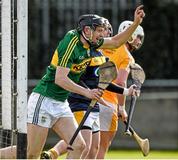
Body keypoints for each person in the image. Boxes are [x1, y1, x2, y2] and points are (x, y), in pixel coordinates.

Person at [0, 5, 145, 159]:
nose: (102, 34)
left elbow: (116, 42)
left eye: (103, 30)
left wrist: (136, 23)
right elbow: (60, 79)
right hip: (44, 100)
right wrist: (88, 92)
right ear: (87, 30)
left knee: (79, 146)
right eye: (99, 30)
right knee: (31, 153)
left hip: (61, 103)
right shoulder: (71, 42)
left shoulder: (92, 43)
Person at [97, 20, 145, 159]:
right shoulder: (128, 56)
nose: (139, 41)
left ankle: (55, 152)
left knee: (85, 140)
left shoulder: (103, 45)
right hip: (109, 104)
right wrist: (121, 107)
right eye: (138, 36)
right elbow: (121, 81)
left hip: (91, 96)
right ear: (130, 35)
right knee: (101, 147)